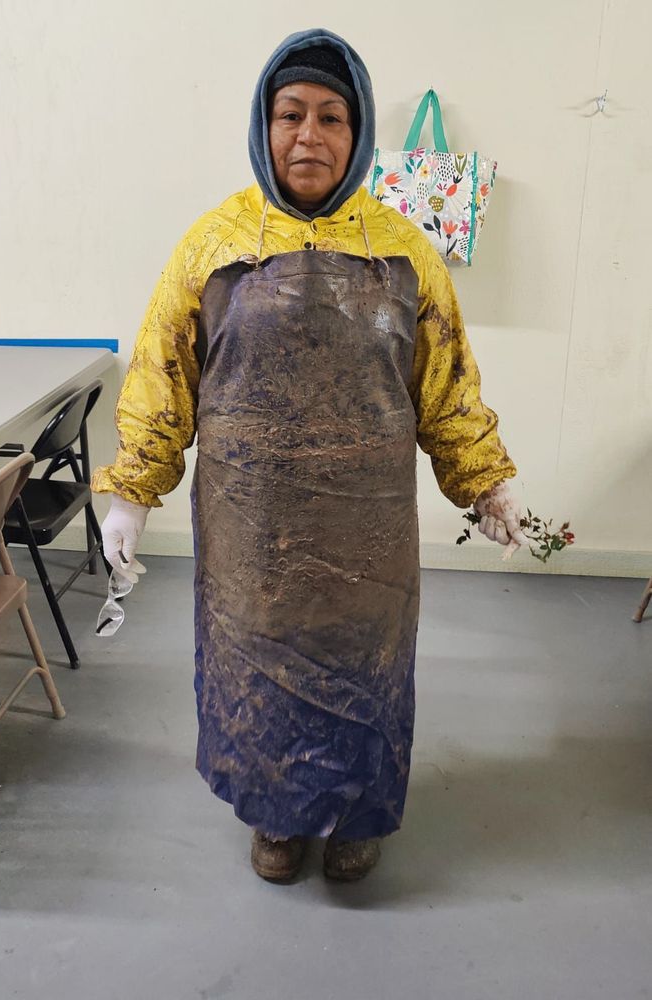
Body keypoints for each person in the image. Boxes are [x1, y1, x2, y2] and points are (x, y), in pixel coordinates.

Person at [92, 28, 526, 883]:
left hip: (368, 533)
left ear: (357, 132)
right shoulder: (212, 246)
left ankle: (357, 816)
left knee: (364, 670)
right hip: (249, 529)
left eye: (331, 116)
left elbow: (445, 383)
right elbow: (160, 376)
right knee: (257, 669)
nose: (308, 135)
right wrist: (129, 495)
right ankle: (275, 820)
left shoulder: (404, 252)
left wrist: (487, 482)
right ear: (264, 123)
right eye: (290, 113)